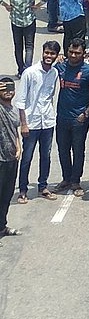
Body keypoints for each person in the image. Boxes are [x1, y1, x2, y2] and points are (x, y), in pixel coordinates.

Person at [13, 41, 58, 203]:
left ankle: (43, 187)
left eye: (52, 54)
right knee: (27, 157)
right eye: (47, 52)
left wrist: (51, 116)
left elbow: (50, 96)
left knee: (45, 155)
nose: (48, 56)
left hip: (47, 121)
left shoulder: (54, 73)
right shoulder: (30, 73)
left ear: (55, 56)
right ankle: (23, 190)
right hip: (31, 123)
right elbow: (21, 100)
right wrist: (23, 124)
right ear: (42, 52)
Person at [53, 40, 89, 196]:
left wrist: (87, 111)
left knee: (78, 150)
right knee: (62, 149)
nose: (73, 55)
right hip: (62, 116)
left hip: (79, 118)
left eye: (77, 53)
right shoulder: (60, 66)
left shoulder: (88, 71)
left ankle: (75, 181)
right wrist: (56, 57)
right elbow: (47, 64)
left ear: (83, 54)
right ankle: (66, 178)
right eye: (71, 52)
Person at [0, 75, 18, 239]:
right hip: (0, 159)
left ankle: (2, 226)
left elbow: (15, 133)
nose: (8, 92)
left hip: (12, 158)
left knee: (7, 194)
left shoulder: (13, 110)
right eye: (4, 89)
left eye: (11, 89)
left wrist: (18, 148)